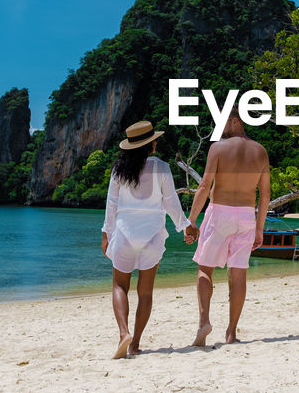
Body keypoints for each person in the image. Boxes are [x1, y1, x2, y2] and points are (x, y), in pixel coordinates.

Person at [101, 120, 192, 359]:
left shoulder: (118, 169)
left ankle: (123, 333)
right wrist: (185, 226)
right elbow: (171, 200)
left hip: (124, 234)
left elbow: (111, 205)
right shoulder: (161, 167)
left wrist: (105, 234)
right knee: (145, 292)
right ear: (150, 144)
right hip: (152, 236)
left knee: (120, 286)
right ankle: (135, 343)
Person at [184, 108, 270, 346]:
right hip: (245, 216)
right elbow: (265, 196)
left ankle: (204, 322)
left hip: (219, 212)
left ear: (235, 121)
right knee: (238, 273)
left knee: (205, 268)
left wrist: (191, 222)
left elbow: (204, 186)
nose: (218, 127)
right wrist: (259, 229)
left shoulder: (218, 148)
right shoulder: (260, 152)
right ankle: (231, 333)